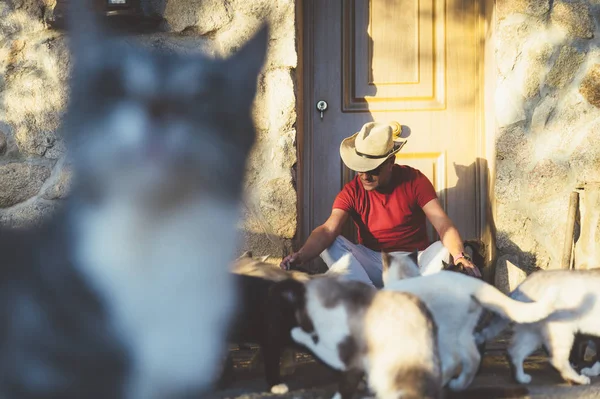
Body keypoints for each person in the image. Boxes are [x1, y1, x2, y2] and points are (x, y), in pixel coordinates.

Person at [280, 122, 481, 288]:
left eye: (373, 169)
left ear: (391, 161)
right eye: (360, 169)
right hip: (374, 263)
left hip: (416, 262)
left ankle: (410, 295)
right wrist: (300, 256)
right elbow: (327, 229)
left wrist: (459, 256)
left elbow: (443, 224)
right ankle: (370, 298)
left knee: (444, 250)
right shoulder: (352, 191)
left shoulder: (414, 180)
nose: (365, 176)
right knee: (330, 243)